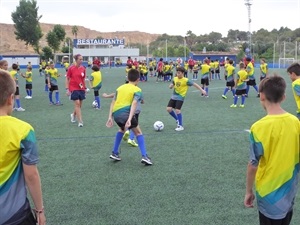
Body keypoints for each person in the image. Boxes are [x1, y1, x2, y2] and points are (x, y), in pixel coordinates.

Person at [244, 75, 300, 225]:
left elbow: (253, 164)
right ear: (284, 97)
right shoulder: (295, 122)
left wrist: (248, 191)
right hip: (290, 190)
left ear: (261, 96)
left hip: (267, 192)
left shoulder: (258, 127)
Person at [0, 70, 46, 225]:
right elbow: (31, 175)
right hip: (14, 215)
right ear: (10, 99)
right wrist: (40, 210)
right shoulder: (24, 130)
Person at [106, 69, 152, 165]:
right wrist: (130, 119)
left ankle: (115, 153)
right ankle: (145, 156)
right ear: (138, 79)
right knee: (138, 133)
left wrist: (110, 117)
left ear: (127, 78)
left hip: (116, 114)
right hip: (126, 113)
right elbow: (135, 103)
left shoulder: (119, 88)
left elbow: (113, 102)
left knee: (121, 130)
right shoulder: (137, 90)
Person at [167, 66, 206, 131]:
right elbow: (173, 83)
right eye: (177, 72)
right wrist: (171, 86)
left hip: (180, 97)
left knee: (177, 110)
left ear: (182, 73)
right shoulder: (175, 78)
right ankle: (177, 119)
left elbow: (194, 84)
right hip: (173, 96)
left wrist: (202, 90)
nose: (177, 74)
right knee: (168, 109)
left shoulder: (186, 80)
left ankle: (180, 126)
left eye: (179, 73)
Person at [66, 54, 87, 127]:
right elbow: (67, 78)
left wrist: (85, 88)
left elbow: (83, 79)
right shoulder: (71, 68)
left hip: (81, 88)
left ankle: (73, 114)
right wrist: (67, 89)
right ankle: (80, 121)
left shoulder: (83, 68)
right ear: (76, 60)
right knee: (77, 103)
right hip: (73, 88)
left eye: (82, 59)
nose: (81, 61)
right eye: (80, 59)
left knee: (79, 105)